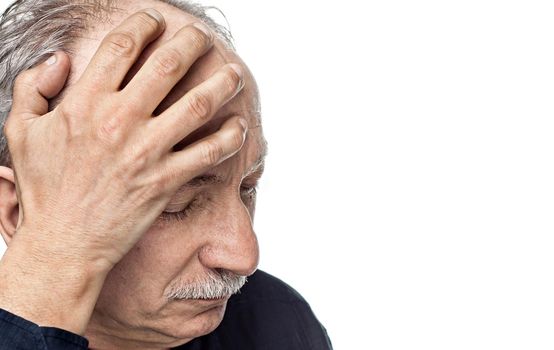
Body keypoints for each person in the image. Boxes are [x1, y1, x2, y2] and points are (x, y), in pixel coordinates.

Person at [0, 0, 333, 348]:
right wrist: (47, 262)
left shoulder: (276, 323)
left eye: (247, 187)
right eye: (177, 203)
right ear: (17, 211)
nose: (244, 255)